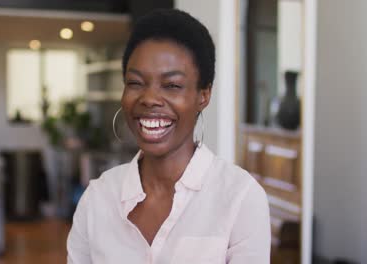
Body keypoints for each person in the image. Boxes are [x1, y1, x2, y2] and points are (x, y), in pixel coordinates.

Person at [67, 8, 270, 263]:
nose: (149, 99)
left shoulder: (240, 198)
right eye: (136, 83)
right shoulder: (97, 199)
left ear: (203, 95)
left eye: (172, 85)